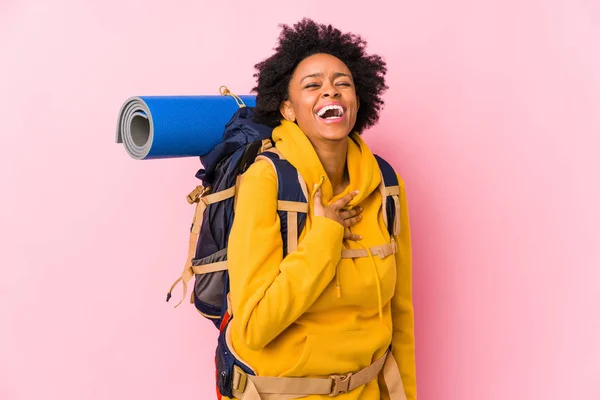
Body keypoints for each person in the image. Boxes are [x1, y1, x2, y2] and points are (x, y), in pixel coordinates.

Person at [226, 18, 416, 400]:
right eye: (312, 85)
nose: (330, 91)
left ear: (357, 100)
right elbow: (254, 328)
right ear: (289, 109)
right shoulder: (266, 181)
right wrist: (325, 237)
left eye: (342, 83)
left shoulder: (385, 183)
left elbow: (401, 317)